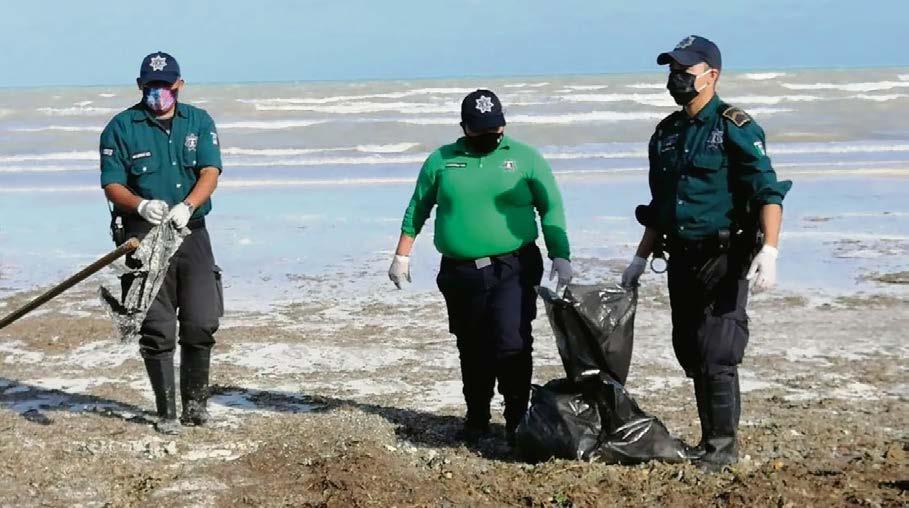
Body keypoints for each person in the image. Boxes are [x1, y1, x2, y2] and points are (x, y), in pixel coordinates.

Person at [621, 36, 792, 468]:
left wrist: (770, 250)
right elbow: (661, 206)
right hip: (681, 257)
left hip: (725, 255)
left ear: (711, 75)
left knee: (718, 351)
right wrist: (640, 258)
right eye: (672, 71)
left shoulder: (735, 126)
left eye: (685, 71)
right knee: (690, 349)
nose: (675, 78)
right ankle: (709, 439)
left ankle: (721, 448)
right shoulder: (666, 133)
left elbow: (768, 191)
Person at [389, 90, 572, 444]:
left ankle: (517, 418)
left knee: (512, 341)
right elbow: (418, 207)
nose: (490, 134)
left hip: (514, 266)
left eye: (495, 126)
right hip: (460, 272)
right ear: (464, 127)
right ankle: (477, 417)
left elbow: (551, 206)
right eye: (480, 128)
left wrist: (560, 254)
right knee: (472, 344)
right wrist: (402, 255)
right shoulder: (441, 160)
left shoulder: (525, 158)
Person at [99, 52, 224, 434]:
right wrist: (140, 204)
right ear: (140, 86)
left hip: (191, 232)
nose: (159, 92)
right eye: (152, 86)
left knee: (202, 323)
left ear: (179, 85)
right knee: (157, 330)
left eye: (166, 86)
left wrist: (189, 205)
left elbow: (210, 171)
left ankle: (196, 408)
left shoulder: (199, 122)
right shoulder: (120, 128)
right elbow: (112, 183)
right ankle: (167, 413)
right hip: (144, 238)